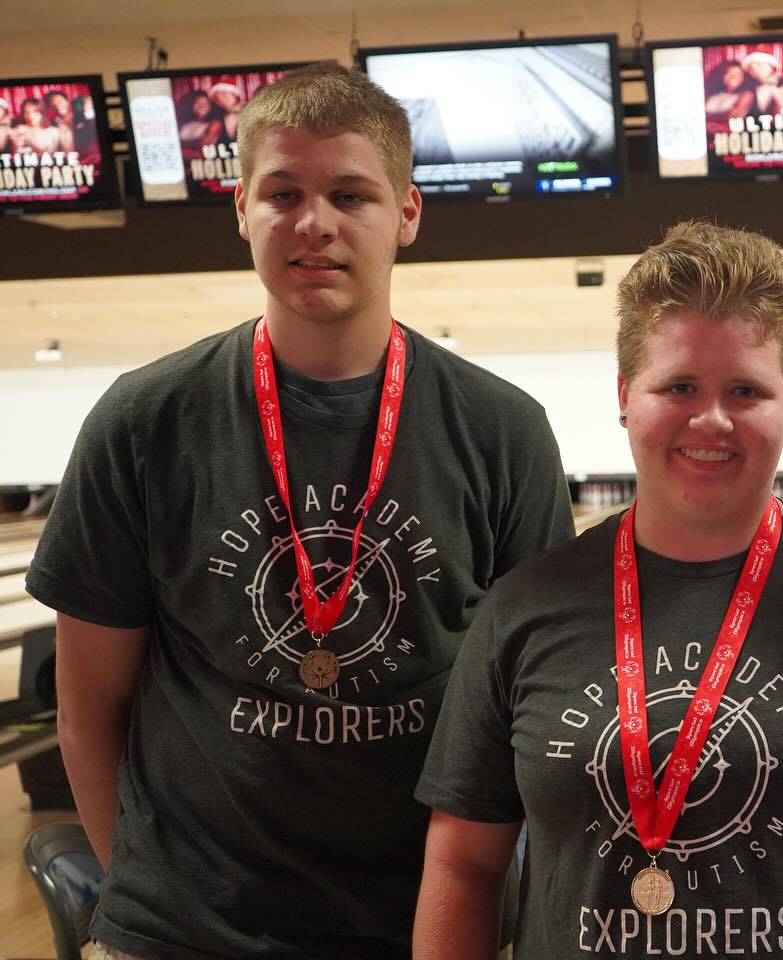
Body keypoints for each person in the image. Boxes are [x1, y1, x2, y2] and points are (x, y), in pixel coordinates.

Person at [25, 62, 573, 960]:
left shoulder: (502, 430)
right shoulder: (143, 420)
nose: (313, 221)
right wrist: (149, 905)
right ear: (241, 208)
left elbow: (538, 709)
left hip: (425, 930)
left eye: (350, 194)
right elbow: (89, 709)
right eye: (283, 192)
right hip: (181, 937)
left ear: (407, 213)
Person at [412, 221, 783, 960]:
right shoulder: (524, 606)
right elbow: (463, 864)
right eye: (679, 386)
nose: (711, 418)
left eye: (745, 389)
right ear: (624, 395)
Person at [703, 60, 753, 126]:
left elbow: (731, 118)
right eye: (729, 72)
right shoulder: (712, 94)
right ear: (723, 75)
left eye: (738, 73)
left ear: (744, 77)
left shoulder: (746, 95)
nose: (733, 76)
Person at [741, 50, 781, 116]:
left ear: (772, 66)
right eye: (751, 68)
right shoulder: (748, 88)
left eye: (759, 65)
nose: (756, 70)